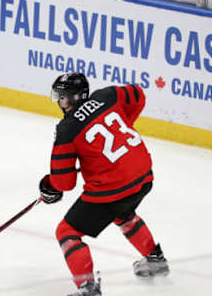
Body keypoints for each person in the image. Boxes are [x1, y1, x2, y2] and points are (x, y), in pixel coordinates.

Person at [38, 72, 170, 296]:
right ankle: (155, 259)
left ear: (75, 97)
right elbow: (138, 95)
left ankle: (87, 287)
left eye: (63, 98)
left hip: (113, 187)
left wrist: (50, 185)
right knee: (123, 213)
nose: (60, 103)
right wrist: (125, 125)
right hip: (144, 175)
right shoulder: (108, 96)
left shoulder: (67, 130)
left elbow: (64, 182)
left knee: (67, 231)